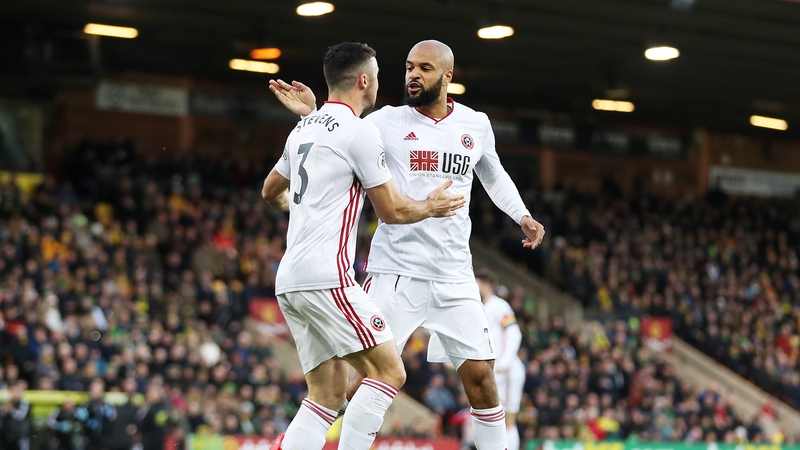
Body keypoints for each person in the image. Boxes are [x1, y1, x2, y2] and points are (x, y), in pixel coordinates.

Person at [270, 39, 544, 450]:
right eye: (409, 67)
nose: (413, 75)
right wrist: (314, 114)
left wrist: (521, 214)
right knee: (366, 379)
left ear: (447, 76)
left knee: (483, 381)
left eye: (424, 68)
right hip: (395, 270)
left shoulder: (475, 124)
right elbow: (341, 132)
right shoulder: (384, 121)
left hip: (454, 274)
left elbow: (493, 173)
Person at [261, 42, 465, 450]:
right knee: (389, 372)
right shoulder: (359, 132)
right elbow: (392, 211)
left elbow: (270, 191)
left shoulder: (304, 127)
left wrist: (305, 206)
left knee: (326, 396)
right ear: (363, 81)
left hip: (291, 280)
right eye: (377, 76)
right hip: (329, 278)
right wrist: (432, 206)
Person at [474, 269, 525, 450]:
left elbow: (514, 332)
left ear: (487, 286)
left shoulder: (499, 306)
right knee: (492, 420)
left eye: (476, 284)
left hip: (507, 371)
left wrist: (505, 362)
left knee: (507, 420)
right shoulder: (479, 308)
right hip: (491, 371)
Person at [81, 379, 118, 450]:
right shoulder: (86, 404)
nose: (95, 391)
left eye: (98, 389)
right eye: (93, 388)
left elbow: (113, 417)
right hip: (88, 440)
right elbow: (81, 417)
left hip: (103, 440)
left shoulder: (106, 404)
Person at [2, 382, 31, 450]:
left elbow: (21, 415)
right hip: (7, 434)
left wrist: (11, 410)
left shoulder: (24, 401)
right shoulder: (7, 401)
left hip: (20, 434)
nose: (15, 393)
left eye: (17, 391)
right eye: (13, 391)